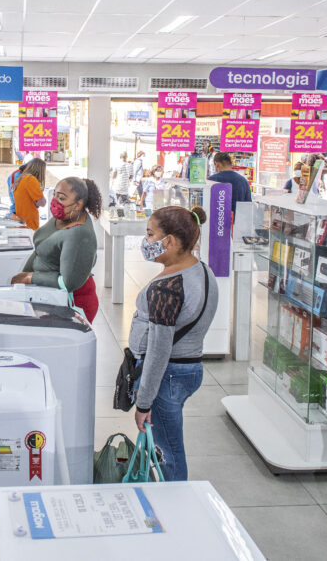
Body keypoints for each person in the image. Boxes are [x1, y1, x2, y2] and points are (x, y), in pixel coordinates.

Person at [130, 206, 218, 482]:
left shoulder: (168, 287)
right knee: (166, 444)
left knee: (169, 453)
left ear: (169, 240)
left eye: (150, 234)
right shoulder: (201, 270)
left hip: (167, 375)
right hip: (188, 369)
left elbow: (158, 350)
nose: (146, 242)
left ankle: (176, 505)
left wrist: (143, 403)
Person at [11, 177, 102, 322]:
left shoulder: (80, 234)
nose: (54, 202)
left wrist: (29, 278)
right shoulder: (64, 216)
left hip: (72, 302)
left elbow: (69, 282)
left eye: (61, 198)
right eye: (54, 195)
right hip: (49, 296)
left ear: (78, 204)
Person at [13, 158, 47, 230]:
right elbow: (42, 203)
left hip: (21, 221)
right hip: (29, 223)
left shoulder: (21, 179)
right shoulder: (30, 179)